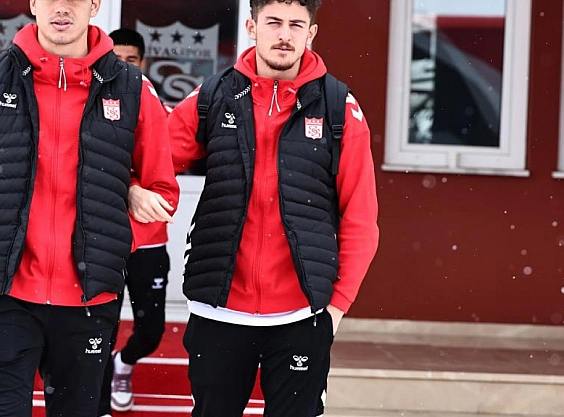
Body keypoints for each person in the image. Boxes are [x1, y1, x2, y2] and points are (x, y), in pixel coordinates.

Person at [0, 0, 179, 416]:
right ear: (34, 3)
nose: (62, 8)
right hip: (5, 293)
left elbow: (163, 193)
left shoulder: (132, 89)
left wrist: (116, 239)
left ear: (94, 5)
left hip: (89, 297)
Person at [134, 0, 380, 415]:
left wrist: (336, 307)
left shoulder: (339, 107)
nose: (284, 35)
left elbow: (361, 217)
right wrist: (133, 188)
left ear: (311, 33)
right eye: (274, 22)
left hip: (302, 312)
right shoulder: (214, 95)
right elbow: (151, 157)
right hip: (219, 308)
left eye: (296, 25)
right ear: (251, 27)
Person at [96, 28, 172, 416]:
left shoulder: (154, 103)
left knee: (152, 331)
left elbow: (168, 164)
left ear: (143, 63)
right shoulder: (94, 101)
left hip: (149, 241)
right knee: (99, 330)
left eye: (132, 60)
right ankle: (100, 404)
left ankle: (123, 365)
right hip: (103, 238)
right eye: (118, 60)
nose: (125, 67)